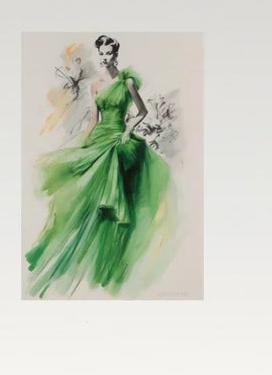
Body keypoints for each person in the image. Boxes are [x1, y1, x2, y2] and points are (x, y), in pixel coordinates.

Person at [25, 35, 174, 298]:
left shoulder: (127, 81)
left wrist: (128, 130)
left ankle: (115, 261)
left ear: (116, 54)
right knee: (87, 196)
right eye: (101, 54)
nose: (105, 58)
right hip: (100, 137)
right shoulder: (95, 86)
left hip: (120, 138)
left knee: (116, 187)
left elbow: (141, 112)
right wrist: (82, 145)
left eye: (108, 53)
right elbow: (94, 119)